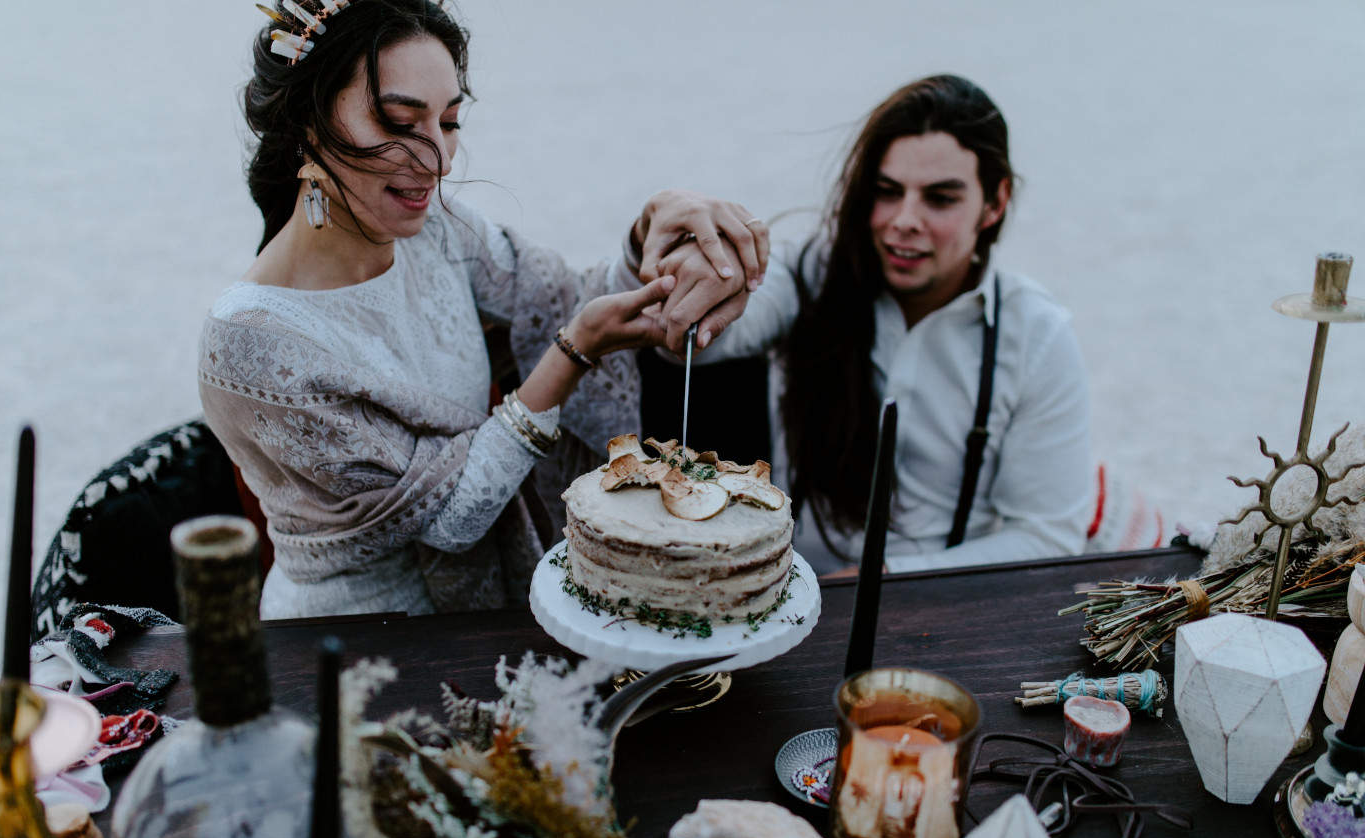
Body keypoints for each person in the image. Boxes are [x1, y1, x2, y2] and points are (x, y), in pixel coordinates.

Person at [198, 0, 767, 618]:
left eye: (450, 122)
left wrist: (655, 236)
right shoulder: (250, 340)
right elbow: (448, 517)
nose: (438, 161)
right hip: (345, 647)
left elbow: (560, 299)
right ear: (307, 120)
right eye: (398, 120)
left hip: (488, 617)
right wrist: (571, 354)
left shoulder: (437, 229)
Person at [650, 74, 1092, 576]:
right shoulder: (811, 273)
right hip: (796, 604)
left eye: (940, 198)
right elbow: (686, 342)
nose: (904, 219)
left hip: (948, 613)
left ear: (995, 203)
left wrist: (876, 582)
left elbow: (1047, 536)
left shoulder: (1037, 335)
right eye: (887, 191)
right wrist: (671, 240)